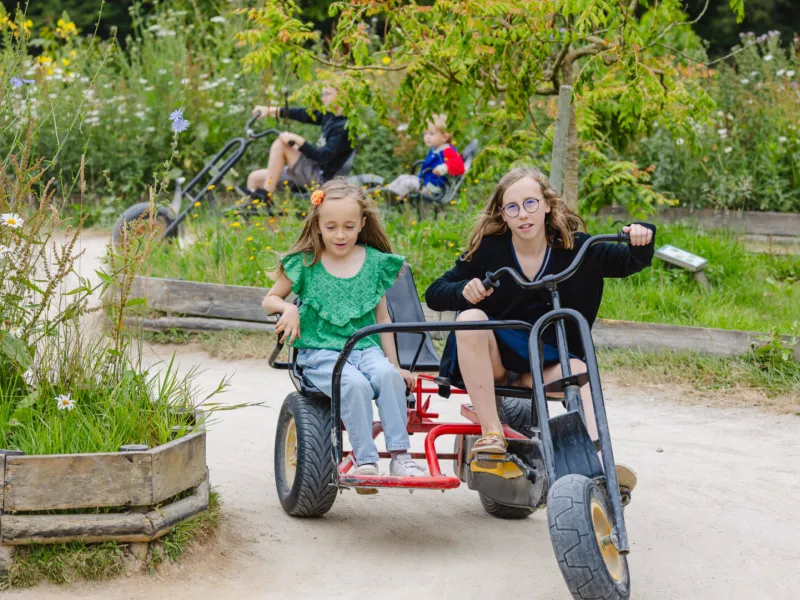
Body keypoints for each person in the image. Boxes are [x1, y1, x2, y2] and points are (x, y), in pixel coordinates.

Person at [424, 166, 655, 501]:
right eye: (512, 207)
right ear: (502, 214)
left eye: (530, 203)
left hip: (545, 361)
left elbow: (630, 261)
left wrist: (642, 235)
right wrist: (464, 290)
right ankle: (492, 434)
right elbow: (435, 292)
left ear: (547, 204)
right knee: (471, 317)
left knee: (579, 370)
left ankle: (600, 463)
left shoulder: (577, 248)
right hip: (495, 359)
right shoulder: (491, 250)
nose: (523, 214)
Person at [262, 178, 426, 492]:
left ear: (362, 223)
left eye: (349, 227)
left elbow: (383, 319)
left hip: (366, 349)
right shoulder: (306, 262)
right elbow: (269, 300)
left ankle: (401, 456)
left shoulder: (373, 263)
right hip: (320, 352)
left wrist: (396, 365)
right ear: (318, 225)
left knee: (388, 376)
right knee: (354, 384)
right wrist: (288, 308)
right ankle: (365, 460)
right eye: (332, 227)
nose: (340, 235)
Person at [245, 86, 353, 204]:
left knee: (281, 145)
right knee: (254, 178)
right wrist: (270, 110)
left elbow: (323, 158)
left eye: (327, 94)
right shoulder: (330, 116)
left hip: (324, 179)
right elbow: (303, 114)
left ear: (342, 96)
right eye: (323, 94)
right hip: (311, 169)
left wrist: (299, 141)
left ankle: (266, 196)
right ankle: (257, 210)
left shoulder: (344, 127)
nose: (323, 99)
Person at [385, 114, 465, 202]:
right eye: (425, 133)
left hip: (432, 188)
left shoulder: (447, 150)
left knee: (406, 183)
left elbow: (459, 166)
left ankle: (390, 200)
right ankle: (386, 193)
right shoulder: (436, 148)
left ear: (444, 137)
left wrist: (443, 168)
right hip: (425, 182)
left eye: (431, 134)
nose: (427, 137)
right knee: (402, 177)